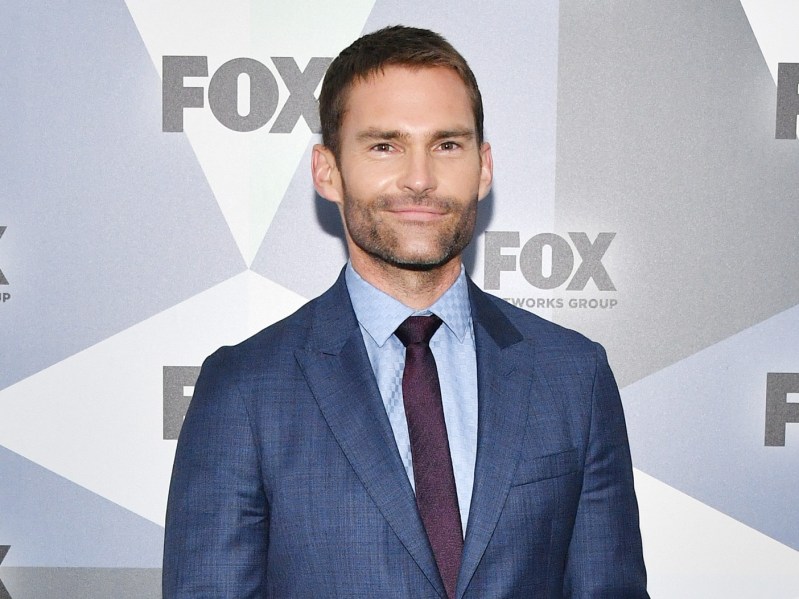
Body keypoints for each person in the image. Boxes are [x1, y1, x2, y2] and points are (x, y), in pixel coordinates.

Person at [163, 25, 648, 598]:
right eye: (384, 145)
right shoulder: (243, 389)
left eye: (447, 145)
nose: (420, 179)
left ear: (483, 167)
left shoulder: (574, 375)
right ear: (328, 171)